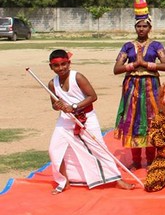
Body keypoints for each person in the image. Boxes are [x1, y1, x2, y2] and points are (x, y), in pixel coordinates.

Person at [47, 50, 134, 194]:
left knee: (99, 148)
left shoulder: (78, 77)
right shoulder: (52, 84)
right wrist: (57, 106)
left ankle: (117, 179)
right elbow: (54, 105)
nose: (61, 68)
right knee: (54, 149)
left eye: (64, 64)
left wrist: (74, 106)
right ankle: (64, 181)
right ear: (51, 67)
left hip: (86, 117)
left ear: (69, 63)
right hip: (65, 121)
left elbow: (92, 96)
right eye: (56, 66)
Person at [114, 0, 165, 168]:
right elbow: (117, 69)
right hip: (133, 88)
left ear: (150, 27)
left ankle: (152, 159)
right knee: (134, 120)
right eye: (138, 26)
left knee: (153, 121)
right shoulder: (128, 46)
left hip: (151, 88)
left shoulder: (156, 45)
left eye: (144, 25)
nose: (141, 28)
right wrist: (132, 65)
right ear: (135, 27)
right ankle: (137, 161)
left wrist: (145, 65)